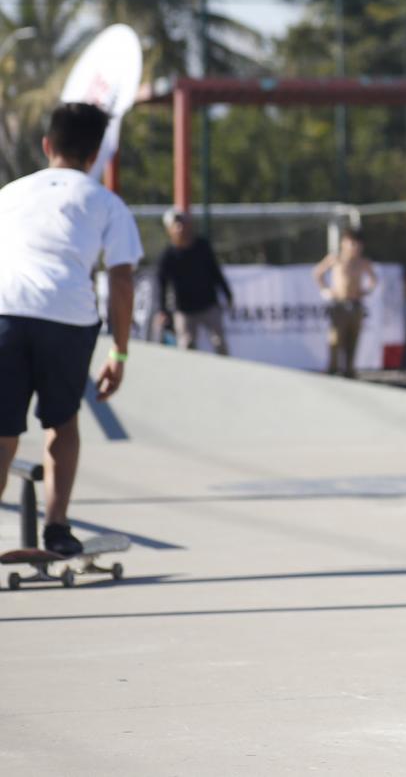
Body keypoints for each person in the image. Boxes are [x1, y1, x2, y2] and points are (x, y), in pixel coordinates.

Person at [0, 103, 141, 559]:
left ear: (47, 146)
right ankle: (57, 528)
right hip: (67, 316)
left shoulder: (10, 193)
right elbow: (121, 280)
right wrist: (119, 353)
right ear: (96, 153)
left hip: (5, 310)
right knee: (61, 422)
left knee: (3, 432)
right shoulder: (105, 202)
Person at [155, 210, 233, 354]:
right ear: (169, 230)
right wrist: (162, 310)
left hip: (208, 304)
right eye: (176, 225)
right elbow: (161, 285)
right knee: (186, 345)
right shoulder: (167, 256)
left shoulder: (202, 246)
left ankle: (226, 373)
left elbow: (216, 272)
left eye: (183, 223)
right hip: (184, 309)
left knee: (219, 342)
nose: (181, 228)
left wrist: (227, 294)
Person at [313, 229, 378, 378]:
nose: (356, 247)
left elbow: (374, 280)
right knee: (335, 339)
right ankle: (332, 368)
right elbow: (317, 273)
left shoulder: (362, 262)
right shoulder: (335, 259)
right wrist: (326, 291)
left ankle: (349, 370)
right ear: (344, 243)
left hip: (356, 305)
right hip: (339, 304)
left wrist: (366, 291)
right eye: (352, 243)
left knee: (352, 340)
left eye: (358, 244)